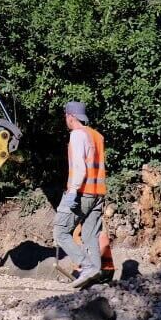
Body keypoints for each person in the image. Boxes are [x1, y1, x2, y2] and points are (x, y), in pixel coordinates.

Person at [53, 100, 106, 287]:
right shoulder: (96, 136)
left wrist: (72, 192)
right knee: (91, 235)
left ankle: (87, 267)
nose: (66, 120)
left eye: (66, 116)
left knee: (61, 232)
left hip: (82, 192)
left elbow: (80, 168)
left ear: (71, 116)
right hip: (98, 193)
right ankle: (96, 278)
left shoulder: (77, 135)